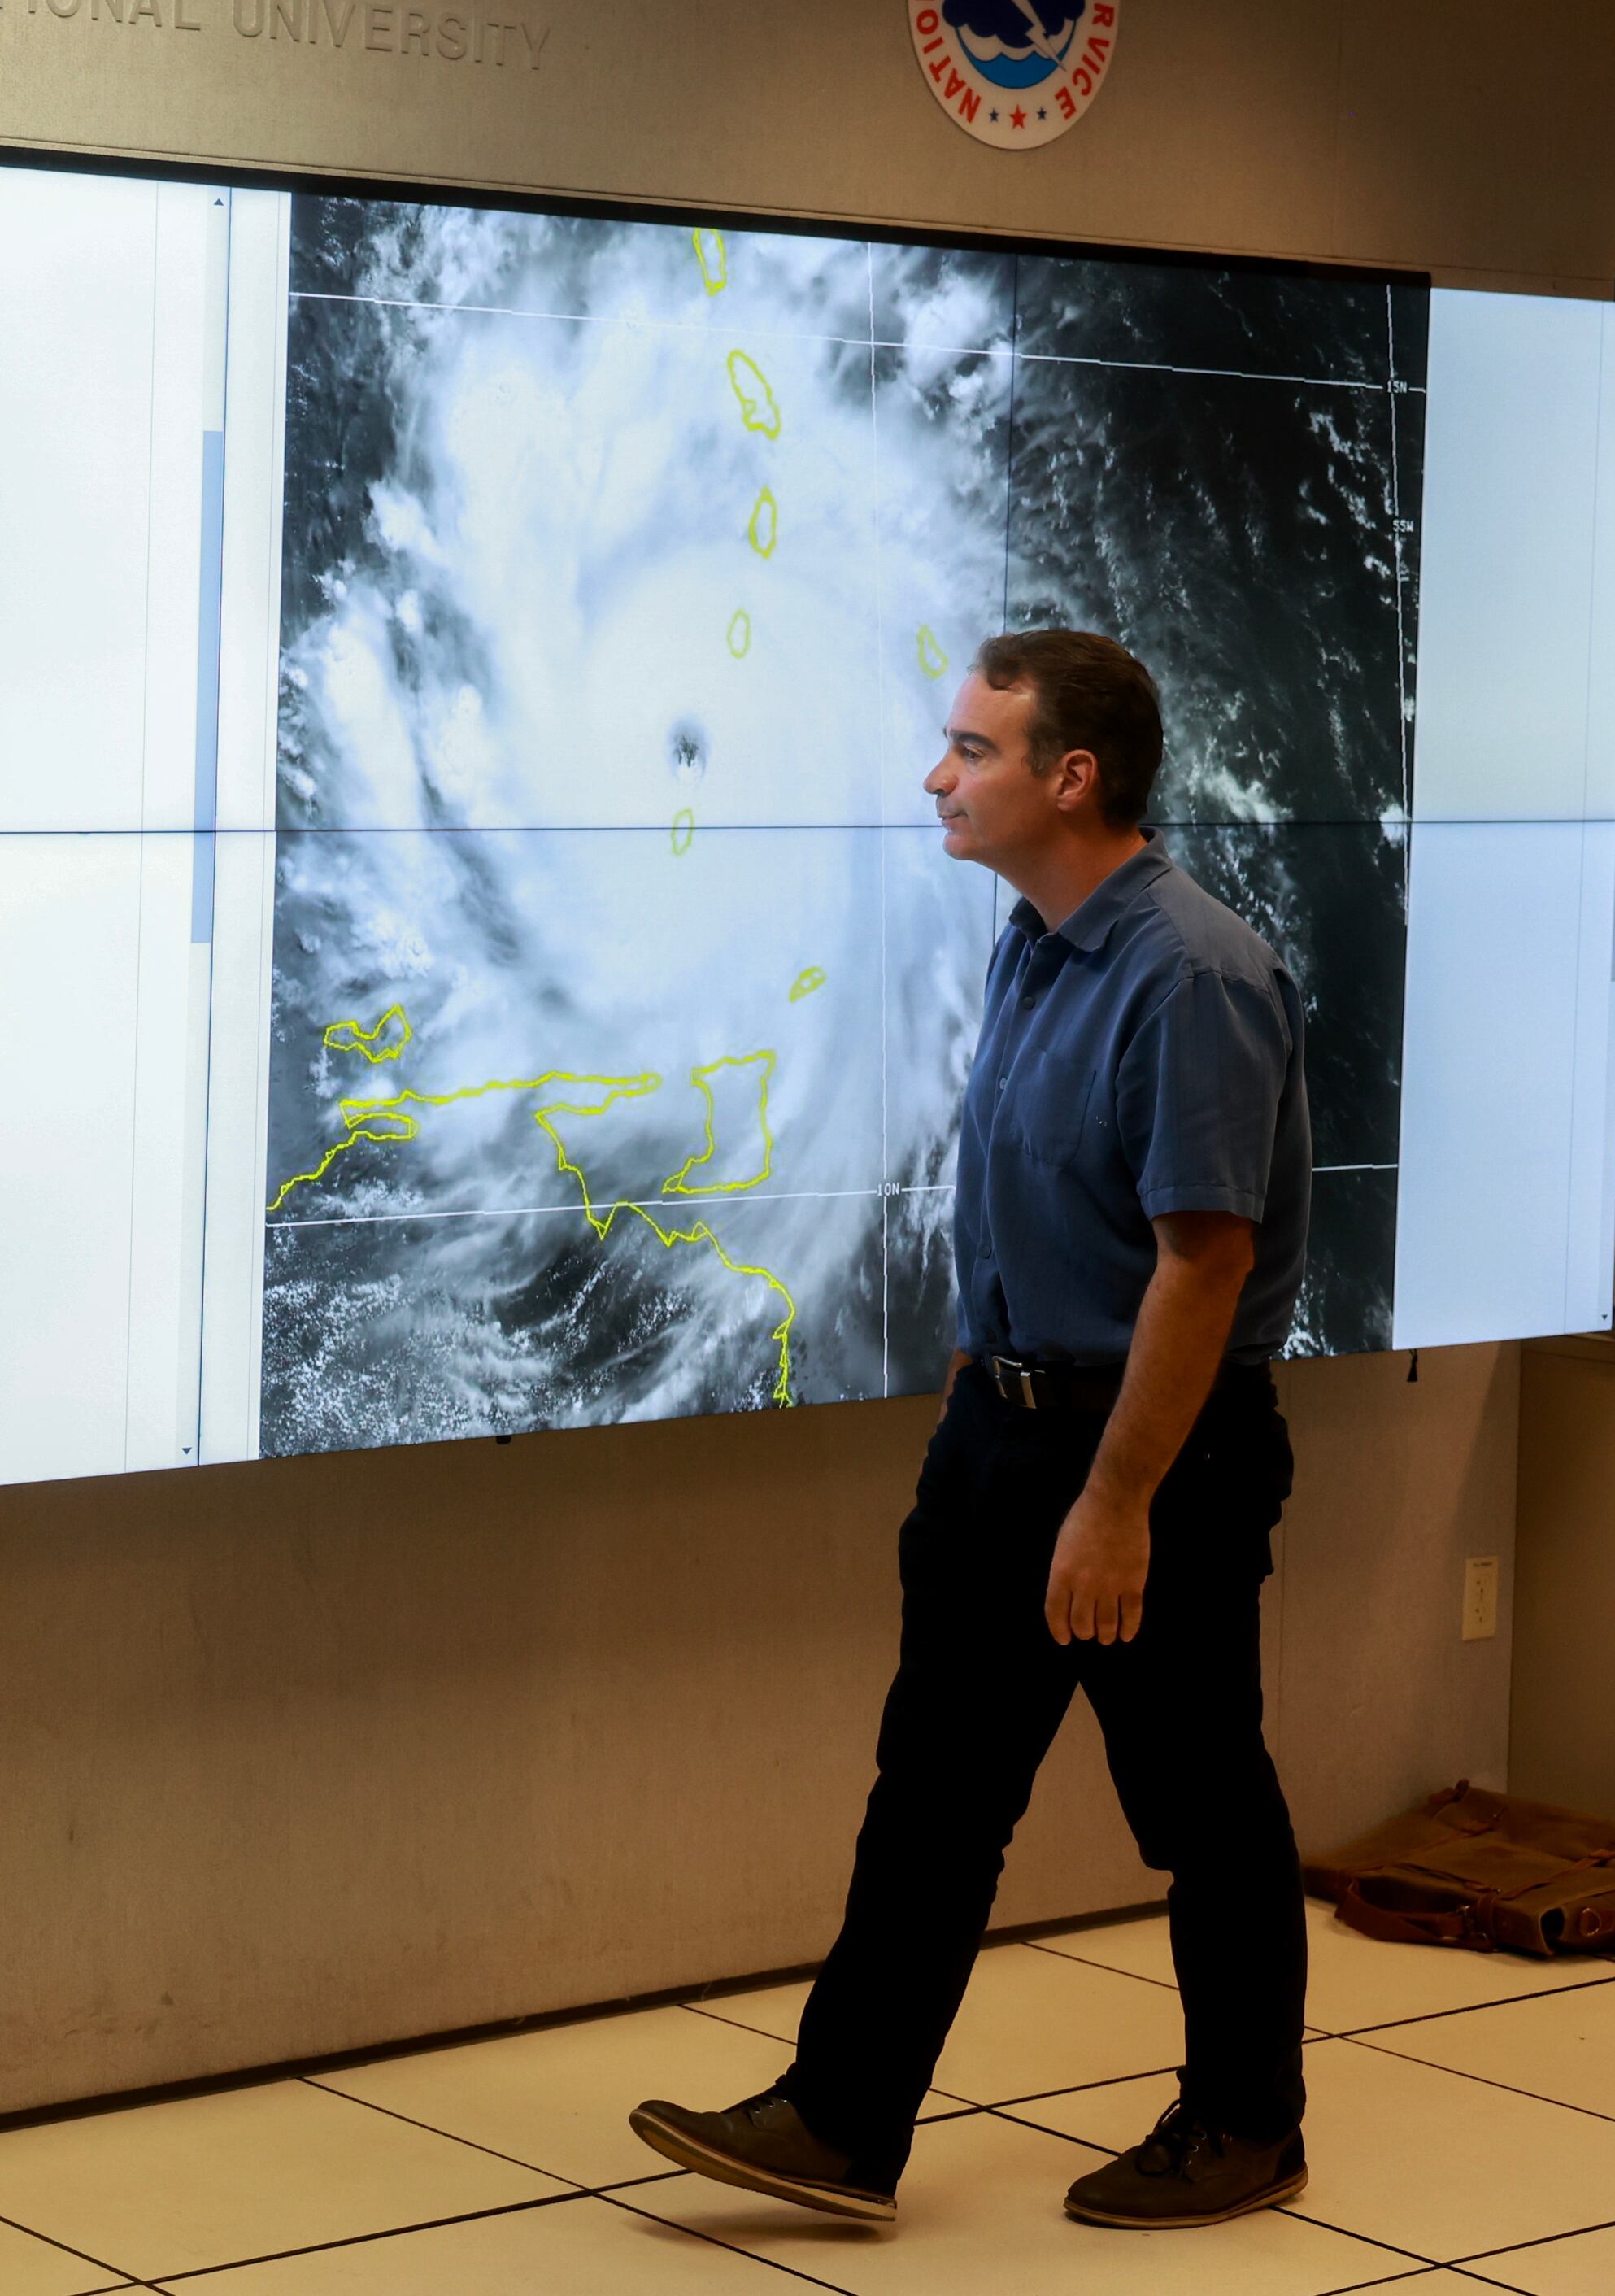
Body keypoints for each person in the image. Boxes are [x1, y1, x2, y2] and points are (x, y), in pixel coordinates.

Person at [631, 628, 1313, 2232]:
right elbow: (1028, 1194)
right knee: (932, 1790)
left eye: (971, 749)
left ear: (1070, 777)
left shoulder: (1191, 972)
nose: (938, 774)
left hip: (1155, 1459)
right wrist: (976, 1383)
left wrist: (1116, 1497)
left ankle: (1246, 2119)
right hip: (1004, 1435)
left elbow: (1203, 1261)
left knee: (1203, 1802)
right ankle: (840, 2116)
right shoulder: (1034, 936)